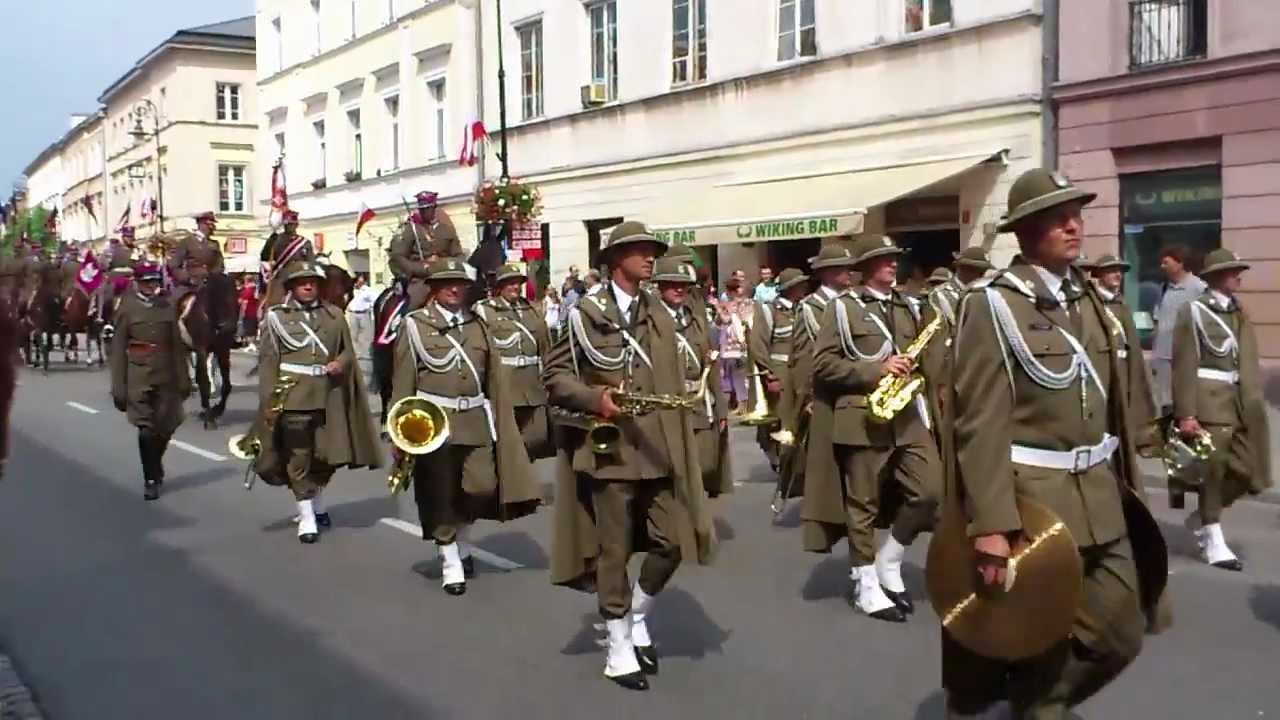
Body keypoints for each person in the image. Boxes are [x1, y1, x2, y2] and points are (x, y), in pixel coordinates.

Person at [946, 169, 1165, 717]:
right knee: (1041, 638)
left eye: (1076, 214)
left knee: (1122, 631)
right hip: (1034, 505)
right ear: (1025, 232)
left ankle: (1038, 702)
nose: (1074, 225)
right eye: (1057, 217)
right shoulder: (994, 306)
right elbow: (981, 421)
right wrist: (993, 525)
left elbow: (1116, 393)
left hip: (1100, 496)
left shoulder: (1090, 300)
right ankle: (1039, 705)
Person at [544, 221, 716, 692]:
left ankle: (636, 612)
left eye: (650, 251)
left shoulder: (657, 311)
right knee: (614, 550)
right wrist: (594, 398)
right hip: (611, 449)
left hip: (657, 446)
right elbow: (556, 377)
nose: (649, 258)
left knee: (671, 542)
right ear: (615, 259)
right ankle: (618, 643)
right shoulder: (583, 314)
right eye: (639, 250)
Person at [809, 235, 942, 623]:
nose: (891, 264)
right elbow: (823, 365)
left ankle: (890, 558)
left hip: (906, 414)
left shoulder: (908, 306)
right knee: (862, 504)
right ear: (864, 268)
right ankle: (865, 583)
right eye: (883, 259)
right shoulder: (842, 309)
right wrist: (875, 370)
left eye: (894, 258)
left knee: (930, 490)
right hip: (862, 415)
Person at [391, 257, 539, 594]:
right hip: (432, 423)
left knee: (480, 487)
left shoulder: (478, 325)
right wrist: (399, 431)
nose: (455, 289)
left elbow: (493, 379)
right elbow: (403, 383)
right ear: (435, 289)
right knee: (440, 494)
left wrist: (503, 422)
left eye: (459, 284)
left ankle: (464, 538)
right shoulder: (415, 326)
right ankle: (450, 558)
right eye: (446, 284)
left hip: (474, 420)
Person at [254, 261, 382, 543]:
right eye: (302, 282)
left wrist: (340, 362)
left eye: (313, 281)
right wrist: (269, 402)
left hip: (328, 396)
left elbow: (349, 352)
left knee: (327, 455)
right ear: (292, 288)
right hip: (293, 396)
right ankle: (307, 514)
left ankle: (315, 497)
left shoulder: (335, 315)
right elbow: (268, 363)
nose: (308, 286)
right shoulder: (277, 318)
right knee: (299, 454)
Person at [1171, 248, 1272, 571]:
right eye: (1232, 271)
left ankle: (1203, 515)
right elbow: (1184, 364)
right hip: (1210, 403)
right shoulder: (1194, 311)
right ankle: (1212, 536)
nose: (1239, 275)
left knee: (1248, 469)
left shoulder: (1238, 311)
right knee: (1213, 472)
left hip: (1240, 402)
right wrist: (1186, 413)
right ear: (1216, 277)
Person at [777, 242, 857, 512]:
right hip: (822, 389)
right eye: (841, 269)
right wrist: (806, 395)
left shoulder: (852, 302)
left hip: (849, 383)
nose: (848, 273)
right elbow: (803, 357)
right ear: (826, 273)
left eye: (848, 268)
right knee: (821, 453)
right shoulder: (811, 308)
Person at [109, 262, 191, 501]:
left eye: (155, 282)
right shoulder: (127, 309)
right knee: (146, 430)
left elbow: (177, 347)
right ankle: (151, 478)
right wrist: (119, 387)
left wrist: (184, 379)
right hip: (139, 377)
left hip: (166, 376)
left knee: (167, 426)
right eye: (147, 282)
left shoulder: (166, 307)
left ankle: (156, 462)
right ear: (137, 282)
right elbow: (117, 350)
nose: (151, 287)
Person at [653, 256, 732, 498]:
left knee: (706, 465)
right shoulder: (651, 320)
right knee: (676, 474)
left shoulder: (696, 321)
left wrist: (721, 407)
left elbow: (712, 364)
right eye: (672, 283)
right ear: (660, 286)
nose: (679, 289)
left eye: (684, 284)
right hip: (668, 407)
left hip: (699, 405)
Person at [475, 264, 555, 460]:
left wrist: (551, 377)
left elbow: (545, 347)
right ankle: (515, 480)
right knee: (507, 440)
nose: (515, 287)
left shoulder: (531, 310)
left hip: (532, 384)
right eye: (509, 283)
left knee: (538, 437)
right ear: (499, 286)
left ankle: (522, 466)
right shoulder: (486, 310)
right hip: (505, 382)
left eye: (518, 283)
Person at [1090, 255, 1158, 456]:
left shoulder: (1121, 304)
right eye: (1111, 270)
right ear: (1100, 275)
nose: (1117, 275)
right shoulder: (1092, 302)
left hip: (1125, 366)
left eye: (1119, 271)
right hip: (1104, 367)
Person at [747, 268, 808, 472]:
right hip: (779, 371)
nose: (804, 287)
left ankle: (795, 462)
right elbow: (758, 345)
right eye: (799, 284)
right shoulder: (770, 310)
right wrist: (768, 374)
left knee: (798, 417)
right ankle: (779, 458)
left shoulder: (804, 309)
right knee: (779, 418)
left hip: (800, 371)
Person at [1151, 244, 1206, 413]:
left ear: (1180, 263)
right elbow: (1157, 319)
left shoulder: (1199, 287)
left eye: (1166, 262)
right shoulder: (1164, 288)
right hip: (1162, 357)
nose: (1162, 266)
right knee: (1165, 403)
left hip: (1185, 357)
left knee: (1186, 401)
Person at [388, 191, 464, 311]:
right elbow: (397, 258)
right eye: (422, 209)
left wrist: (443, 264)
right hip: (420, 280)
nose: (425, 212)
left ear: (434, 208)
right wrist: (422, 268)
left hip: (445, 276)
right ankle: (406, 324)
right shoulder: (409, 229)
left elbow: (459, 255)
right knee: (415, 301)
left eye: (428, 208)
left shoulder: (446, 230)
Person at [259, 210, 314, 310]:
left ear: (297, 225)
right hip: (282, 276)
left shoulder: (305, 242)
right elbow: (264, 257)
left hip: (300, 276)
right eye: (288, 224)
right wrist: (270, 242)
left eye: (292, 224)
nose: (290, 227)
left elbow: (311, 261)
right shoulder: (276, 240)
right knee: (274, 299)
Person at [170, 211, 225, 283]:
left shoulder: (214, 244)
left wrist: (215, 276)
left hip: (210, 283)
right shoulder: (186, 242)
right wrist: (187, 279)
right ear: (201, 224)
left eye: (213, 225)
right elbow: (175, 265)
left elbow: (219, 264)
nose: (213, 228)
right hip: (192, 284)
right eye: (209, 224)